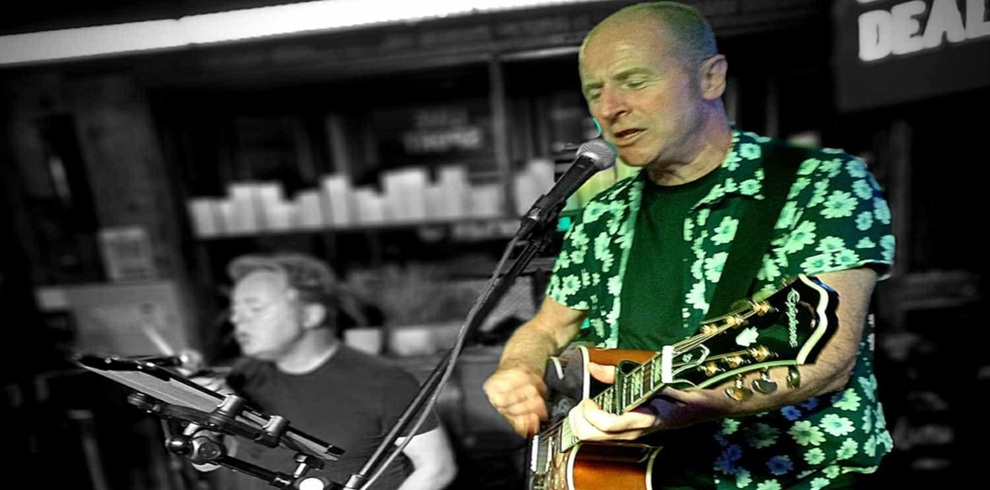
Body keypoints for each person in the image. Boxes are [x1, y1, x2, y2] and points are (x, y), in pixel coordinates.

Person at [483, 2, 896, 489]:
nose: (609, 109)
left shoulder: (821, 183)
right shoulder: (601, 215)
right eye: (595, 91)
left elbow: (828, 358)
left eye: (635, 81)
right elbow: (548, 328)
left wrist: (691, 406)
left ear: (711, 78)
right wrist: (518, 368)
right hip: (641, 475)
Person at [196, 252, 457, 490]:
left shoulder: (384, 381)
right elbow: (206, 462)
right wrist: (201, 412)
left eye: (255, 308)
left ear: (311, 315)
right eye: (235, 310)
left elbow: (436, 469)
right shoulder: (245, 375)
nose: (237, 319)